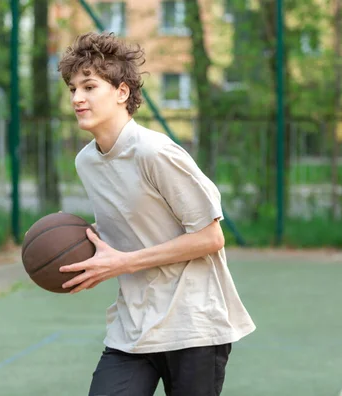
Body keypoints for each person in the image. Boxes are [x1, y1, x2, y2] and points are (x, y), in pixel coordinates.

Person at [57, 32, 256, 396]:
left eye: (89, 86)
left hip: (192, 325)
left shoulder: (155, 152)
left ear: (122, 93)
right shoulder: (86, 161)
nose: (77, 98)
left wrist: (123, 263)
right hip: (134, 327)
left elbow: (211, 237)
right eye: (72, 89)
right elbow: (130, 224)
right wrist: (72, 244)